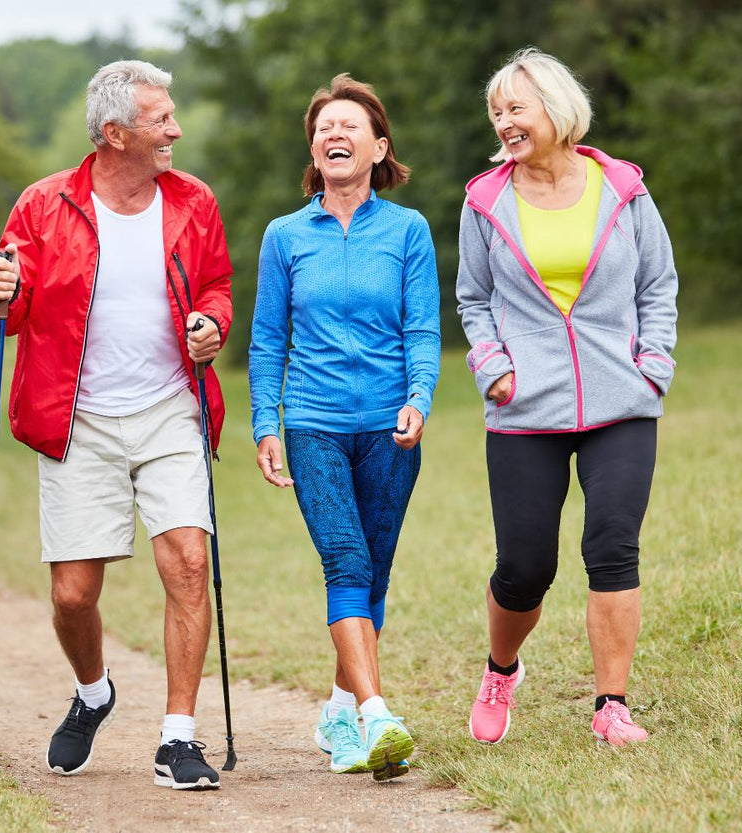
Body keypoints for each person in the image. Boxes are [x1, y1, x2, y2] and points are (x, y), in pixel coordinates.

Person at [0, 60, 232, 791]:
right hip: (76, 419)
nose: (175, 129)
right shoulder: (42, 205)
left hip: (168, 409)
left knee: (187, 558)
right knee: (73, 596)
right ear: (115, 133)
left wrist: (211, 324)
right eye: (161, 119)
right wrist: (2, 289)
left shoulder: (193, 202)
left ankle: (177, 736)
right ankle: (94, 692)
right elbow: (8, 313)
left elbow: (216, 285)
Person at [456, 48, 678, 747]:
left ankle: (611, 703)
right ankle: (501, 668)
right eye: (497, 112)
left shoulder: (624, 188)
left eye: (516, 108)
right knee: (526, 566)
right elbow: (473, 296)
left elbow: (658, 284)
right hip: (524, 406)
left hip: (621, 397)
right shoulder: (485, 201)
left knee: (613, 546)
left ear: (555, 107)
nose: (505, 122)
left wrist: (653, 365)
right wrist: (493, 366)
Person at [249, 74, 440, 780]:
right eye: (324, 125)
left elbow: (423, 326)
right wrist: (264, 422)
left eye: (349, 125)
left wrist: (420, 395)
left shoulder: (408, 230)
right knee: (345, 560)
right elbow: (269, 339)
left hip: (392, 426)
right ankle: (377, 713)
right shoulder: (285, 235)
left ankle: (339, 708)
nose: (334, 133)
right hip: (314, 422)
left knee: (374, 572)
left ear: (378, 146)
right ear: (313, 147)